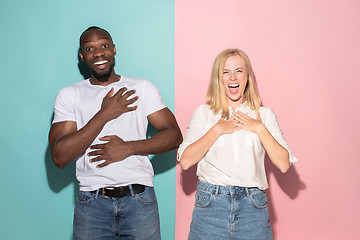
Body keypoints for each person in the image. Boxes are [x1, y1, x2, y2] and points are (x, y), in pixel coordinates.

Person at [49, 26, 182, 240]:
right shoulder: (69, 95)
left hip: (139, 199)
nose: (99, 53)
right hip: (92, 202)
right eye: (90, 48)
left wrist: (128, 147)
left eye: (104, 45)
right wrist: (104, 114)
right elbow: (59, 156)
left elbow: (174, 135)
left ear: (114, 49)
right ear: (82, 56)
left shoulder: (141, 88)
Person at [178, 48, 297, 240]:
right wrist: (218, 129)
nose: (233, 77)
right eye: (226, 72)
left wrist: (259, 128)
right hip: (210, 206)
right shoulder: (203, 113)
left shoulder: (264, 115)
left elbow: (284, 164)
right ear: (219, 78)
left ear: (247, 76)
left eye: (239, 71)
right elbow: (185, 161)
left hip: (253, 209)